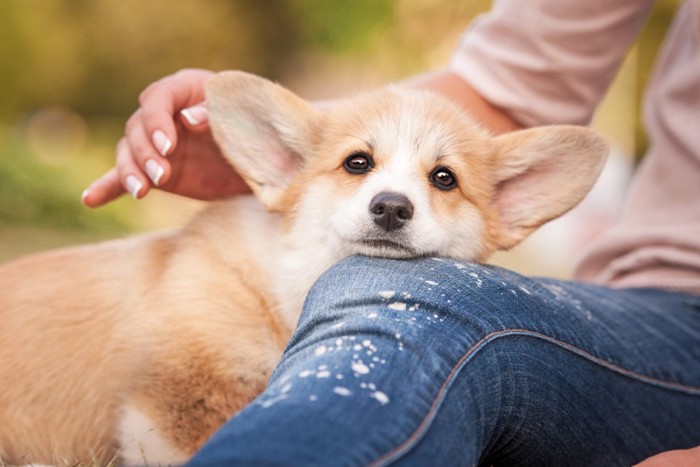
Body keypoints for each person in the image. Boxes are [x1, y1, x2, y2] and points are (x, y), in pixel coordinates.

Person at [82, 1, 700, 465]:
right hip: (644, 303)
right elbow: (509, 89)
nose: (394, 201)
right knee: (386, 294)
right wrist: (303, 134)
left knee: (413, 300)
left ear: (502, 209)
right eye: (359, 165)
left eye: (442, 178)